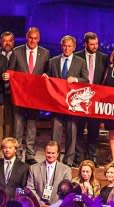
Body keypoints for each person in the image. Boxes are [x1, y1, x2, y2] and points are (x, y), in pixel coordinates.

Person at [3, 27, 50, 165]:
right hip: (18, 96)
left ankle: (30, 154)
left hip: (34, 98)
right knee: (18, 126)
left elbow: (47, 73)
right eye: (30, 38)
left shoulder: (45, 53)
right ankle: (17, 154)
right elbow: (10, 72)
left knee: (32, 126)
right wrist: (7, 79)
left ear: (39, 39)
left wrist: (47, 76)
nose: (32, 41)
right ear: (26, 37)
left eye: (35, 38)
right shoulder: (17, 52)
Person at [46, 35, 89, 166]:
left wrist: (76, 79)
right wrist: (45, 77)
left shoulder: (80, 62)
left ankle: (68, 161)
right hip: (56, 105)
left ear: (74, 47)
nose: (66, 48)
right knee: (55, 134)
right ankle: (55, 161)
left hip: (71, 106)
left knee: (72, 133)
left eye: (69, 46)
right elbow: (49, 79)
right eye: (64, 45)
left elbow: (86, 80)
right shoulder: (53, 61)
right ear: (61, 46)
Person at [75, 32, 109, 166]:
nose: (95, 46)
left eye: (96, 44)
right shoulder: (77, 56)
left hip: (96, 100)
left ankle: (92, 157)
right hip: (80, 99)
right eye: (92, 44)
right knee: (78, 128)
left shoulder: (104, 58)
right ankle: (78, 157)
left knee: (93, 130)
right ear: (85, 44)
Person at [26, 141, 72, 205]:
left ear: (58, 154)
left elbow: (66, 192)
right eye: (48, 153)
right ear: (45, 152)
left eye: (53, 153)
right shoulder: (33, 168)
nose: (50, 155)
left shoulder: (66, 170)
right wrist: (41, 204)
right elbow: (30, 188)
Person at [0, 31, 15, 140]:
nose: (7, 43)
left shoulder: (18, 55)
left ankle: (8, 147)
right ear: (1, 42)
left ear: (13, 42)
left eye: (9, 41)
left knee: (10, 122)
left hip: (14, 95)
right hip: (0, 95)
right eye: (5, 41)